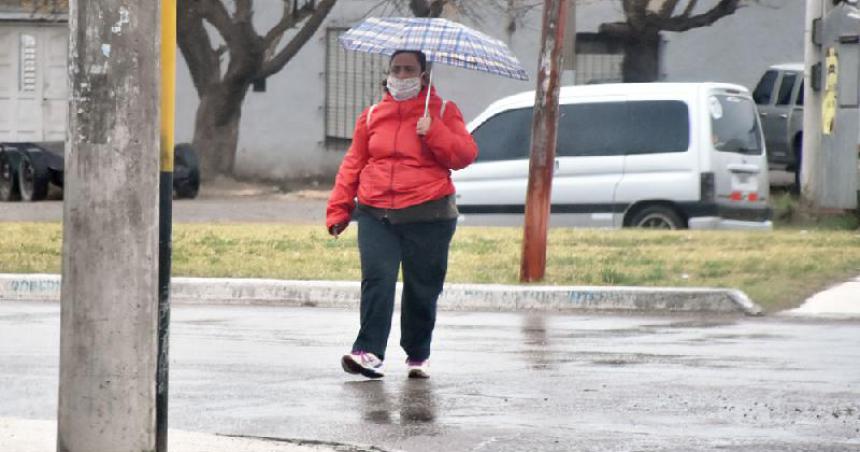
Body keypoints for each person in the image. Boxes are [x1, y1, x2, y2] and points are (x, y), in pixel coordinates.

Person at [326, 50, 478, 379]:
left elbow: (465, 155)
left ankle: (417, 354)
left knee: (421, 288)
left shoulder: (441, 111)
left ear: (424, 75)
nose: (401, 75)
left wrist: (434, 131)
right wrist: (339, 208)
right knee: (377, 280)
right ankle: (367, 352)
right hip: (375, 213)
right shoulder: (371, 116)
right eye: (396, 69)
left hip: (429, 215)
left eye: (409, 69)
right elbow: (353, 163)